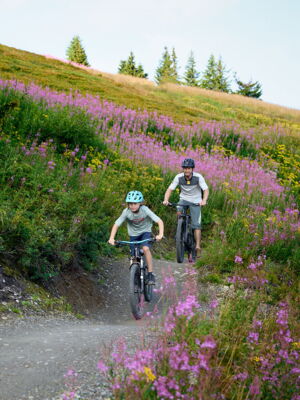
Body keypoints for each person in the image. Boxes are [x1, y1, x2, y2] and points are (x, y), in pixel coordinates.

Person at [108, 190, 164, 285]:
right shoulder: (126, 212)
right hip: (133, 235)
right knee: (133, 257)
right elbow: (116, 224)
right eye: (130, 204)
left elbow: (159, 221)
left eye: (135, 203)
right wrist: (111, 238)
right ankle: (135, 274)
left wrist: (160, 234)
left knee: (146, 248)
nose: (132, 206)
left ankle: (150, 274)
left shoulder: (145, 210)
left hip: (145, 232)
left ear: (140, 203)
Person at [163, 158, 209, 257]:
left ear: (192, 169)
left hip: (196, 201)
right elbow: (170, 189)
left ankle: (197, 246)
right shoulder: (178, 177)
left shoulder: (198, 177)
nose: (187, 170)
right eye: (185, 168)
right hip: (183, 199)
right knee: (179, 210)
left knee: (196, 224)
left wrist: (204, 200)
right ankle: (180, 230)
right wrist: (166, 199)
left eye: (189, 168)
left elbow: (205, 189)